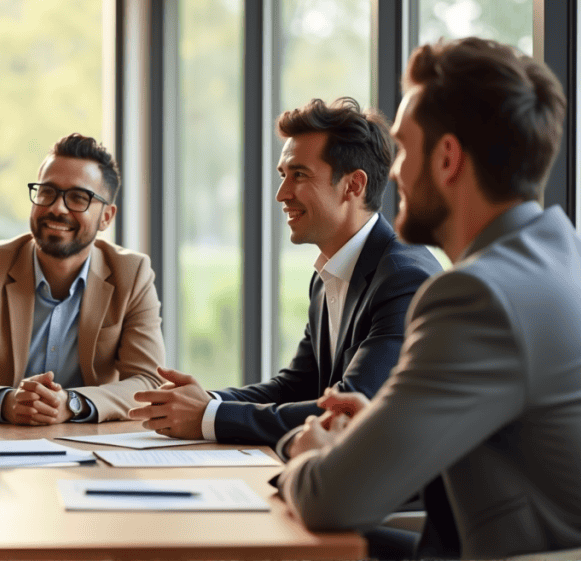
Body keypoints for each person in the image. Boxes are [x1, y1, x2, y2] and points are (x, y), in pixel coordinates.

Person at [279, 37, 581, 560]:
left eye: (401, 149)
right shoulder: (561, 258)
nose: (391, 173)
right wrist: (377, 426)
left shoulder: (476, 296)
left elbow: (328, 500)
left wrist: (308, 450)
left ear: (447, 159)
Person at [129, 98, 441, 449]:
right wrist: (200, 401)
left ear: (353, 186)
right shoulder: (329, 272)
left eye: (299, 175)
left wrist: (207, 416)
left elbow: (350, 409)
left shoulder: (404, 278)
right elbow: (297, 386)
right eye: (283, 176)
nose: (281, 194)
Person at [0, 133, 164, 425]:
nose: (57, 208)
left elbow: (148, 381)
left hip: (92, 445)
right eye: (47, 192)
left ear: (106, 217)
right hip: (0, 444)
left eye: (78, 197)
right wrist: (6, 401)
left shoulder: (132, 274)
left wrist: (74, 403)